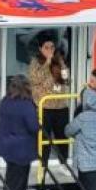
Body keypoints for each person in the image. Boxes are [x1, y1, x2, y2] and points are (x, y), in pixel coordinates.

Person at [0, 75, 39, 190]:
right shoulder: (26, 105)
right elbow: (33, 127)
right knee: (14, 180)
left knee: (18, 174)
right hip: (21, 147)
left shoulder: (5, 101)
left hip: (7, 145)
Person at [29, 35, 70, 165]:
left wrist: (61, 63)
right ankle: (43, 165)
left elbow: (66, 78)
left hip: (60, 106)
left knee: (62, 137)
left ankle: (63, 163)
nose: (50, 50)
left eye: (52, 47)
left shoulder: (58, 60)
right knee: (44, 138)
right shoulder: (35, 62)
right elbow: (36, 79)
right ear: (41, 49)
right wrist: (47, 63)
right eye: (46, 47)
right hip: (44, 106)